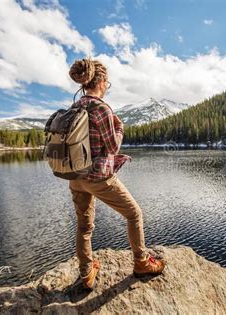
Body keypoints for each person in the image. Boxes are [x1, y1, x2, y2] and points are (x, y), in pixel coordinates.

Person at [67, 58, 166, 289]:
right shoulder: (100, 108)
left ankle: (86, 273)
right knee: (134, 214)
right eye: (107, 82)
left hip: (76, 177)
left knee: (84, 227)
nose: (107, 86)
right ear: (101, 81)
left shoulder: (75, 107)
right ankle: (141, 263)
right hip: (99, 178)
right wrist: (119, 127)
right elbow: (112, 147)